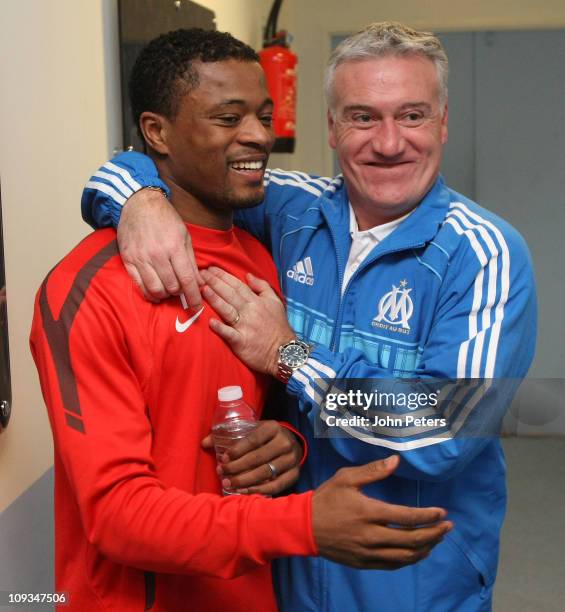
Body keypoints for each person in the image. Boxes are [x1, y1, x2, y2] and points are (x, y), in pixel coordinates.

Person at [80, 22, 536, 612]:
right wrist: (139, 200)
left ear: (443, 123)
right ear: (332, 127)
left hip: (415, 584)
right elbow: (159, 167)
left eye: (413, 116)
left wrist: (290, 357)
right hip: (290, 574)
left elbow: (443, 426)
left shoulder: (484, 254)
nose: (390, 142)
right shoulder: (289, 208)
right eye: (363, 117)